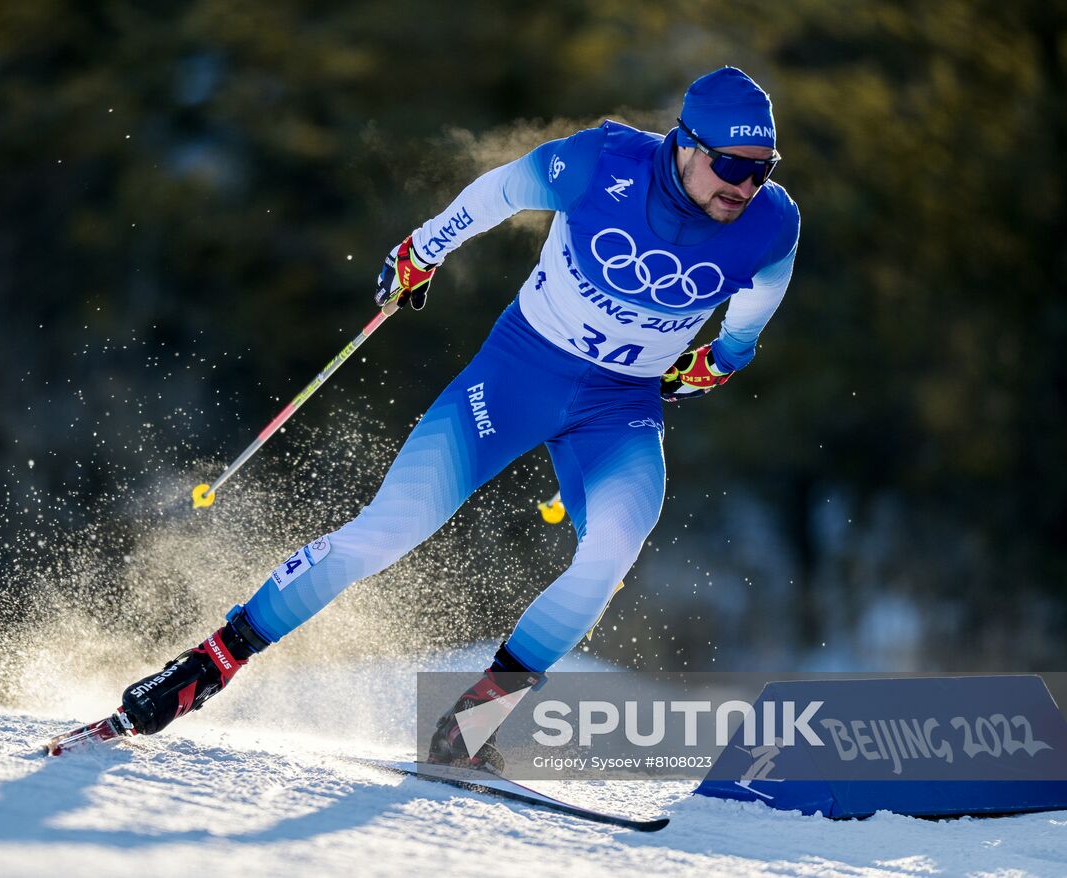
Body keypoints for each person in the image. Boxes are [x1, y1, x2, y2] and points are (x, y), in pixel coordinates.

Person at [115, 66, 800, 767]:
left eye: (761, 170)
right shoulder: (602, 161)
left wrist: (716, 362)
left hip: (619, 406)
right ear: (686, 143)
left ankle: (469, 728)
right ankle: (207, 665)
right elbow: (499, 192)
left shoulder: (772, 223)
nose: (744, 187)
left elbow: (749, 320)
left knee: (611, 551)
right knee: (389, 531)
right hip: (519, 374)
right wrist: (423, 249)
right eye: (729, 167)